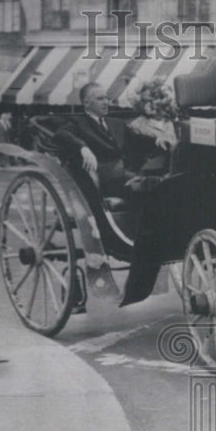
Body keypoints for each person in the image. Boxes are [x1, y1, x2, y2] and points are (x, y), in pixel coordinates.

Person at [53, 82, 163, 304]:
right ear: (86, 103)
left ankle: (151, 234)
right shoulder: (77, 122)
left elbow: (140, 141)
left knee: (159, 186)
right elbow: (62, 134)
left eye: (107, 98)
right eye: (100, 98)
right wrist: (82, 147)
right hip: (103, 180)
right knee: (144, 186)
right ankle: (146, 236)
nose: (107, 102)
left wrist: (159, 140)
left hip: (125, 174)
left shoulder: (116, 123)